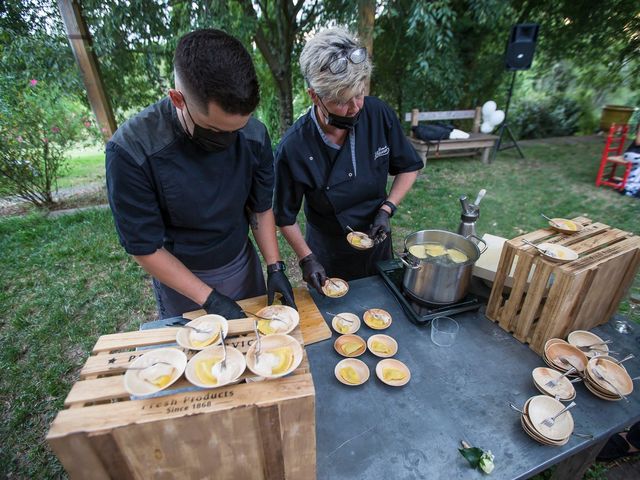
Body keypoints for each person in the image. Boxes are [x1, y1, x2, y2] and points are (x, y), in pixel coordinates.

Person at [106, 29, 295, 320]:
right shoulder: (132, 150)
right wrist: (209, 299)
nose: (230, 140)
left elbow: (260, 208)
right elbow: (144, 247)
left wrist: (274, 266)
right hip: (182, 279)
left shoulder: (255, 136)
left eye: (238, 129)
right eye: (217, 131)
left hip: (242, 263)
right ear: (177, 99)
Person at [274, 27, 424, 293]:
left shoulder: (379, 114)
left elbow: (409, 167)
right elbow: (285, 217)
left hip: (377, 237)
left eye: (359, 93)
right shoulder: (294, 146)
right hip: (328, 250)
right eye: (342, 101)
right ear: (314, 96)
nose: (355, 107)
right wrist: (306, 258)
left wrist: (387, 209)